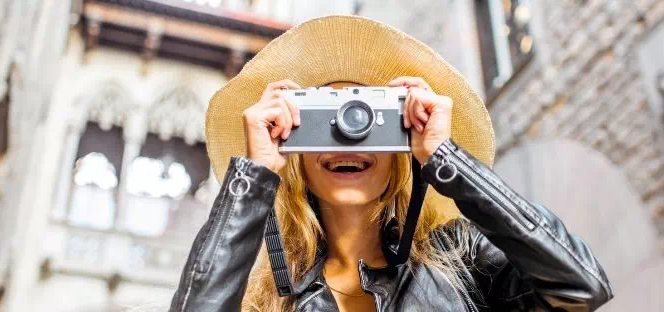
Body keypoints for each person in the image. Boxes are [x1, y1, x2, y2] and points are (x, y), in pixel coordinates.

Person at [169, 16, 612, 312]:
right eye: (323, 120)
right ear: (294, 150)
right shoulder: (271, 297)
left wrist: (444, 157)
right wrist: (257, 174)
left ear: (401, 148)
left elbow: (581, 288)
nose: (347, 136)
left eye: (368, 119)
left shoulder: (463, 259)